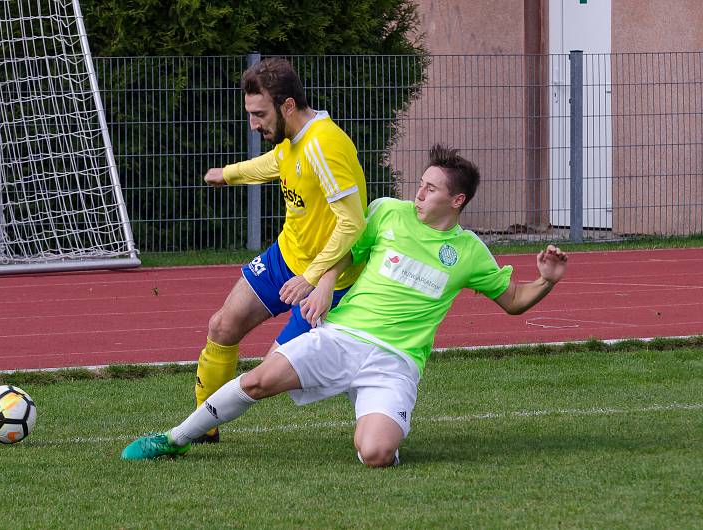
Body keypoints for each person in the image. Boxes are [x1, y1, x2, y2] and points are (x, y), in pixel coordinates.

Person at [125, 145, 567, 466]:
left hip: (396, 361)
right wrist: (324, 283)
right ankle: (175, 438)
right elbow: (345, 249)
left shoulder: (469, 252)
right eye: (420, 184)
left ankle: (381, 436)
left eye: (430, 189)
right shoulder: (387, 213)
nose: (418, 194)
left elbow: (513, 301)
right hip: (343, 336)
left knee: (374, 454)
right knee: (260, 379)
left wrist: (545, 282)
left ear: (457, 201)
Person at [191, 58, 368, 443]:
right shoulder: (293, 140)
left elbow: (353, 223)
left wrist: (311, 278)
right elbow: (278, 163)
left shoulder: (325, 144)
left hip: (325, 280)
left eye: (259, 114)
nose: (254, 124)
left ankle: (363, 380)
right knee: (222, 326)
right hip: (284, 257)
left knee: (270, 373)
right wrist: (229, 174)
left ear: (287, 106)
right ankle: (205, 428)